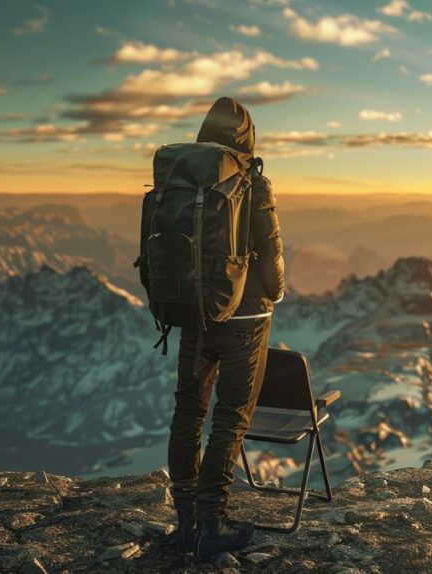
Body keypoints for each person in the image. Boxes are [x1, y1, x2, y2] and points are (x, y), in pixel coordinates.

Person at [166, 96, 285, 560]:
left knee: (188, 413)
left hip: (194, 312)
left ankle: (186, 522)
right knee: (231, 417)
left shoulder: (181, 178)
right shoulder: (254, 184)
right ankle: (212, 524)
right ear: (246, 138)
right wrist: (273, 293)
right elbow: (271, 261)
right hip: (245, 320)